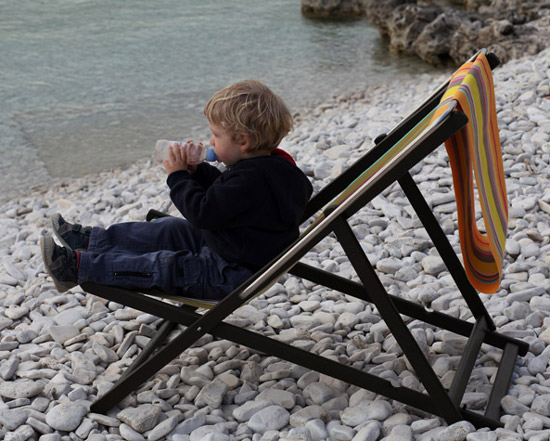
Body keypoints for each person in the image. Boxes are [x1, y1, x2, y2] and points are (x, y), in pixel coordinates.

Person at [41, 80, 313, 300]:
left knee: (166, 265)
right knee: (171, 229)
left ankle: (77, 268)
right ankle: (92, 242)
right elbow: (228, 198)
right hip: (232, 247)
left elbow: (203, 213)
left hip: (228, 273)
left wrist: (178, 176)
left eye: (216, 135)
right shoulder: (275, 167)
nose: (210, 140)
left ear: (242, 140)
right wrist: (199, 172)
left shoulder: (251, 180)